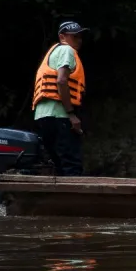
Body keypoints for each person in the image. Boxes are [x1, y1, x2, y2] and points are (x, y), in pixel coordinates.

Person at [32, 20, 89, 176]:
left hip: (43, 116)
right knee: (72, 164)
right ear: (62, 37)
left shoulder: (52, 52)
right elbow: (61, 80)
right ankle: (74, 199)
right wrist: (71, 114)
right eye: (74, 36)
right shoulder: (66, 50)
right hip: (61, 115)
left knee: (59, 164)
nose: (79, 40)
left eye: (80, 36)